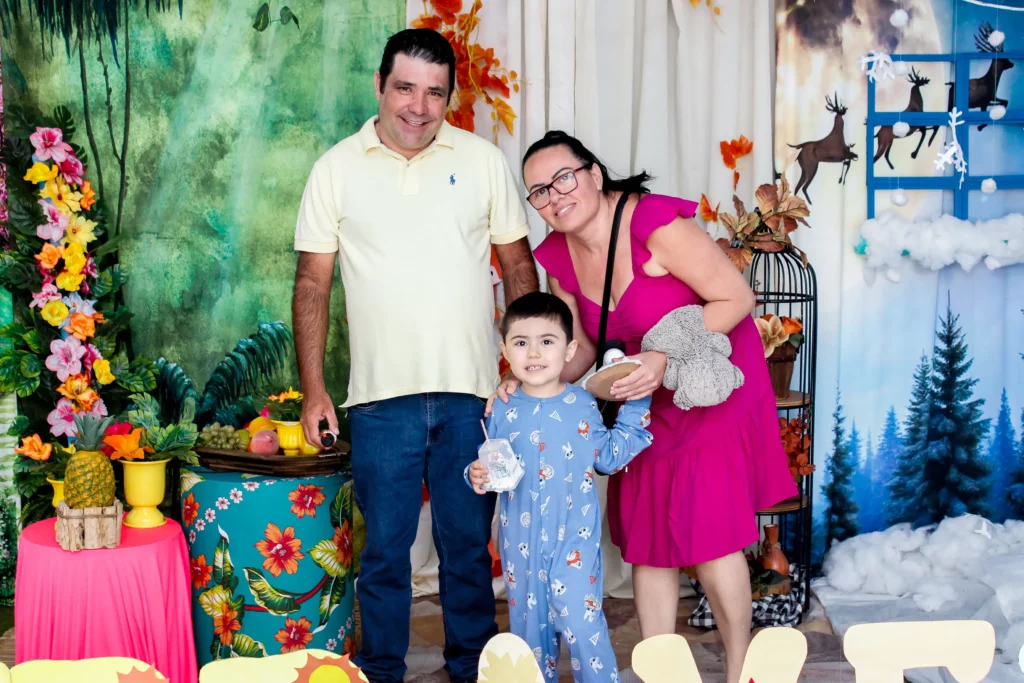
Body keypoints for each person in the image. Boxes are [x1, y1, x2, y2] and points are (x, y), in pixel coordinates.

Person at [491, 131, 798, 683]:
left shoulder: (654, 224)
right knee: (649, 535)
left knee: (710, 532)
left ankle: (741, 671)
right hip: (642, 397)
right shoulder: (558, 257)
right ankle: (663, 673)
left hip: (706, 384)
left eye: (564, 178)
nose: (555, 196)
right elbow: (582, 348)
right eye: (539, 191)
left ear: (594, 173)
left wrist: (663, 355)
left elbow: (737, 298)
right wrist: (528, 381)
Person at [291, 28, 539, 683]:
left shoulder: (483, 161)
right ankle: (379, 671)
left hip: (471, 396)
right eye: (405, 88)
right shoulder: (335, 169)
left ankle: (472, 669)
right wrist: (315, 391)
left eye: (435, 93)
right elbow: (312, 283)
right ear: (380, 85)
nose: (419, 107)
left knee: (467, 550)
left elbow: (518, 266)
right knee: (384, 555)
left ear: (450, 97)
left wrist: (525, 370)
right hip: (379, 401)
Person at [466, 292, 653, 683]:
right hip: (520, 550)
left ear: (569, 350)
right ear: (505, 351)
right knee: (529, 640)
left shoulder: (582, 405)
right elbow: (488, 462)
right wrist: (474, 474)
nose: (534, 352)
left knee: (584, 629)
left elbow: (608, 457)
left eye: (547, 341)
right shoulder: (500, 408)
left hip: (573, 544)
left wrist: (637, 401)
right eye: (521, 342)